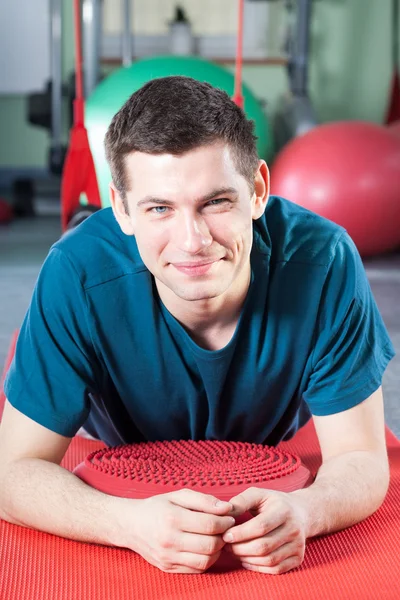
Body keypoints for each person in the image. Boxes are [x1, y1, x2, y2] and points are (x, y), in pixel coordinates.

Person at [0, 76, 395, 576]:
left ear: (257, 192)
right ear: (121, 209)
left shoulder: (325, 261)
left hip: (267, 443)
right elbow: (11, 474)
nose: (192, 241)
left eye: (216, 202)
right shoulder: (77, 274)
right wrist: (125, 523)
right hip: (116, 437)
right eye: (160, 208)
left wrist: (307, 511)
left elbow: (360, 455)